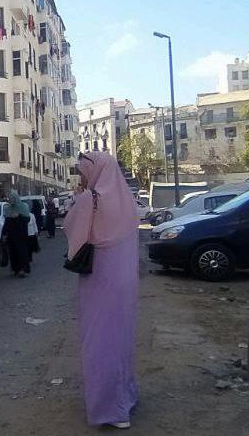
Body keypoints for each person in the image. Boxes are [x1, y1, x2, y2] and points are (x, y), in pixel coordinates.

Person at [64, 152, 139, 429]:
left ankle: (110, 410)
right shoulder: (127, 199)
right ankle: (124, 398)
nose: (82, 177)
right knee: (120, 340)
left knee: (98, 341)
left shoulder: (90, 199)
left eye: (83, 172)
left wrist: (80, 200)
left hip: (99, 280)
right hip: (125, 283)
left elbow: (72, 231)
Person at [1, 190, 32, 278]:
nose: (11, 200)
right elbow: (6, 222)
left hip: (21, 234)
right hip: (11, 235)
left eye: (12, 199)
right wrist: (4, 234)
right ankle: (16, 269)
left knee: (22, 252)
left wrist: (19, 216)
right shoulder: (8, 208)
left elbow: (27, 219)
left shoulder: (24, 206)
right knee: (13, 253)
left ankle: (22, 269)